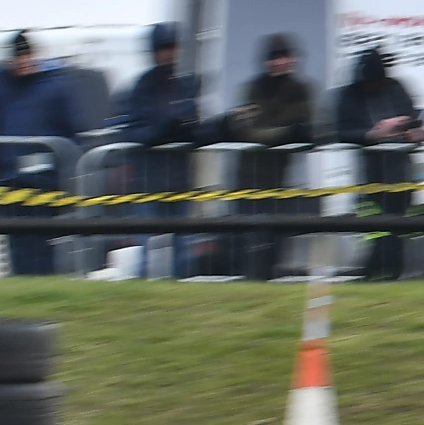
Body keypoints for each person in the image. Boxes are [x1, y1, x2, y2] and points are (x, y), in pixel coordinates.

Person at [333, 46, 424, 280]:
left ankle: (392, 278)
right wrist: (373, 134)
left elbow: (415, 119)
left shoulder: (396, 88)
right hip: (370, 176)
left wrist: (412, 131)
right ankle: (371, 277)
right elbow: (342, 131)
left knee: (398, 230)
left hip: (401, 172)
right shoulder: (350, 94)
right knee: (376, 232)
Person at [115, 22, 205, 278]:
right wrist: (167, 127)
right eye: (164, 48)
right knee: (146, 246)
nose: (168, 54)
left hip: (179, 177)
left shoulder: (184, 85)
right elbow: (136, 132)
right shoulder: (142, 88)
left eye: (171, 47)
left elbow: (194, 128)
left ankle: (182, 292)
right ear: (154, 51)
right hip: (150, 179)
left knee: (182, 248)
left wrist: (180, 127)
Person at [225, 34, 316, 282]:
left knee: (278, 237)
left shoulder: (300, 90)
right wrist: (287, 133)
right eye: (275, 57)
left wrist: (290, 132)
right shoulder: (253, 89)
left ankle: (271, 279)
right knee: (251, 239)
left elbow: (312, 125)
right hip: (250, 177)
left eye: (284, 57)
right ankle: (251, 280)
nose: (279, 63)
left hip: (282, 179)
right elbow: (249, 130)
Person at [0, 32, 79, 277]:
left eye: (26, 55)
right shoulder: (5, 87)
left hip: (43, 180)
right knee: (18, 244)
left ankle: (43, 285)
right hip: (9, 179)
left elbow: (69, 130)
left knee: (42, 244)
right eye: (19, 56)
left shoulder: (53, 87)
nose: (23, 61)